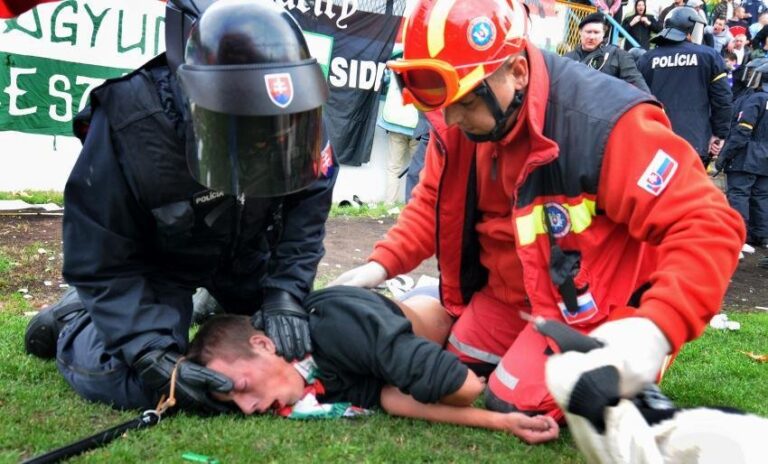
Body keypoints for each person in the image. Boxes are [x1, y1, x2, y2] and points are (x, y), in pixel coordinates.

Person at [331, 0, 743, 422]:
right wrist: (379, 267)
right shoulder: (460, 119)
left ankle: (633, 346)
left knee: (513, 400)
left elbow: (708, 224)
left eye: (466, 102)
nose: (451, 118)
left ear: (517, 72)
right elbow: (431, 206)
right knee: (457, 362)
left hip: (589, 304)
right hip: (508, 296)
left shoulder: (603, 123)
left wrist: (656, 329)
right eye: (442, 103)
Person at [23, 0, 337, 413]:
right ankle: (74, 318)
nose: (266, 140)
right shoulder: (131, 123)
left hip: (246, 256)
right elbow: (100, 258)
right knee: (143, 382)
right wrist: (147, 350)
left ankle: (213, 300)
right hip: (158, 264)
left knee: (309, 340)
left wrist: (285, 294)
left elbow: (308, 206)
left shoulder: (294, 111)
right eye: (251, 129)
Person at [187, 286, 560, 444]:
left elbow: (464, 388)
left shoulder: (336, 328)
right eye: (235, 403)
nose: (247, 408)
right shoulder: (302, 375)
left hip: (448, 306)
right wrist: (503, 422)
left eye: (242, 388)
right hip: (426, 328)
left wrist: (469, 388)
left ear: (263, 344)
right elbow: (391, 398)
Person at [637, 6, 733, 168]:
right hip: (694, 143)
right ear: (691, 29)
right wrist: (719, 134)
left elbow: (637, 100)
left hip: (655, 141)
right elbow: (722, 99)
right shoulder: (709, 56)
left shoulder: (646, 59)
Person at [716, 61, 768, 249]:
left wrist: (724, 157)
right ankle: (762, 236)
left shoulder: (756, 99)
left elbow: (743, 130)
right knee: (762, 196)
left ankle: (739, 235)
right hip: (764, 159)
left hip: (746, 156)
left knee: (738, 194)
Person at [564, 12, 650, 92]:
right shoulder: (567, 59)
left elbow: (639, 86)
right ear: (580, 32)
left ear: (603, 34)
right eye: (588, 32)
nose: (591, 37)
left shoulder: (619, 56)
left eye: (596, 32)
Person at [378, 46, 420, 204]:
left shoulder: (394, 70)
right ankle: (415, 205)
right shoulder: (423, 72)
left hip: (395, 124)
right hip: (417, 128)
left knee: (393, 167)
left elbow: (383, 83)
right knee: (418, 170)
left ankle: (389, 204)